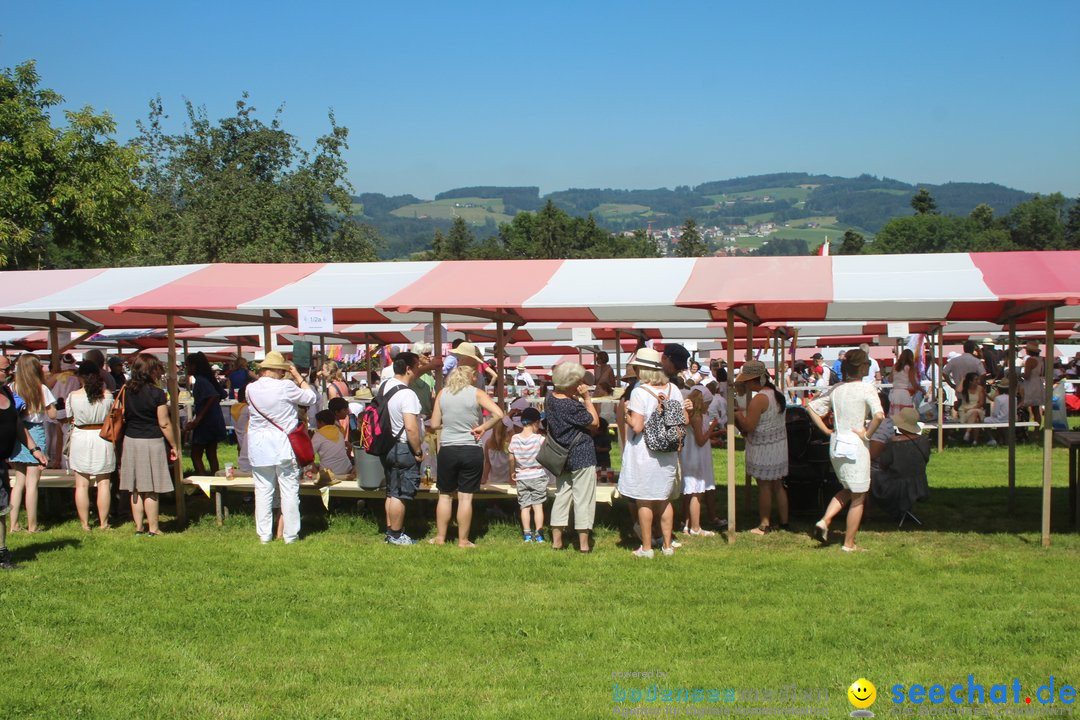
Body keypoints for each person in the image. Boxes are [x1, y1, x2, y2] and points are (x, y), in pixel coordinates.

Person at [806, 349, 885, 551]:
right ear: (863, 367)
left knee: (848, 489)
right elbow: (879, 416)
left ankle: (825, 520)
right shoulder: (867, 389)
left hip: (836, 444)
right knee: (859, 496)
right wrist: (867, 434)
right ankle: (849, 544)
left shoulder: (836, 389)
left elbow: (811, 407)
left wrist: (826, 430)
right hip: (855, 445)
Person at [429, 351, 504, 547]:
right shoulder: (477, 393)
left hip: (448, 448)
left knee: (445, 495)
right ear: (471, 377)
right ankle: (463, 540)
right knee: (465, 497)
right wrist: (483, 427)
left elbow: (435, 423)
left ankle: (440, 538)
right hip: (471, 448)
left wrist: (450, 422)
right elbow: (498, 413)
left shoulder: (442, 394)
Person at [618, 348, 687, 558]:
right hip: (667, 451)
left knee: (645, 500)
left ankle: (647, 547)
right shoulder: (673, 389)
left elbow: (637, 427)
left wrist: (626, 415)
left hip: (644, 453)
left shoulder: (639, 392)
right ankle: (667, 545)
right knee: (664, 500)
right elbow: (683, 418)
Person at [245, 351, 317, 544]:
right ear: (278, 370)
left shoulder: (250, 389)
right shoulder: (285, 386)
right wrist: (298, 378)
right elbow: (311, 398)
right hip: (283, 445)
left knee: (263, 491)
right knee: (289, 491)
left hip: (259, 446)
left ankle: (264, 535)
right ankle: (290, 535)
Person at [120, 354, 179, 537]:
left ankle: (138, 527)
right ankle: (153, 528)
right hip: (151, 440)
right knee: (152, 487)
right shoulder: (157, 394)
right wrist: (174, 445)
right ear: (152, 370)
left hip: (130, 439)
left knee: (135, 487)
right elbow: (164, 423)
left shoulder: (125, 390)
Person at [543, 362, 600, 552]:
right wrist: (587, 398)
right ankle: (583, 544)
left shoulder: (550, 398)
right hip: (581, 453)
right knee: (583, 499)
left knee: (562, 496)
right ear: (570, 383)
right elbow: (594, 422)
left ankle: (557, 541)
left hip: (560, 454)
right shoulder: (570, 405)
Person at [733, 360, 789, 535]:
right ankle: (784, 521)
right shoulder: (776, 392)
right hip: (778, 445)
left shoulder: (760, 398)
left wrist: (737, 414)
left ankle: (764, 524)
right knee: (778, 485)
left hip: (764, 447)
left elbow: (749, 426)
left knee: (764, 486)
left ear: (753, 380)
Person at [8, 354, 56, 534]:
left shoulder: (12, 386)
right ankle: (32, 525)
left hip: (18, 433)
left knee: (18, 483)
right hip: (35, 432)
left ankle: (13, 525)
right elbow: (52, 415)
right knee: (32, 483)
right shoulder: (41, 388)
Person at [67, 361, 116, 531]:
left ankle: (85, 524)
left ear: (80, 376)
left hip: (80, 437)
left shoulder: (73, 396)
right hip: (102, 437)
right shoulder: (108, 395)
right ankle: (104, 523)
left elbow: (68, 417)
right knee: (103, 483)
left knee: (81, 484)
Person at [870, 408, 930, 520]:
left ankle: (867, 512)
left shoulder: (894, 443)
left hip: (897, 486)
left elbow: (884, 464)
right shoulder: (924, 440)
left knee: (870, 475)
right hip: (919, 483)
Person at [0, 355, 30, 568]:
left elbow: (17, 423)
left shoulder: (7, 391)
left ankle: (2, 555)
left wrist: (35, 449)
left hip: (1, 461)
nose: (9, 371)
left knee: (1, 509)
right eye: (5, 368)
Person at [679, 387, 719, 537]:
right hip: (695, 456)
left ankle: (686, 524)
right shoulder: (697, 417)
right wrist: (712, 427)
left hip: (688, 455)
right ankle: (696, 528)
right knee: (697, 492)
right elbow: (701, 440)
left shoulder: (688, 414)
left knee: (689, 492)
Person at [185, 352, 228, 477]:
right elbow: (221, 394)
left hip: (206, 422)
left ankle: (202, 483)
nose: (186, 368)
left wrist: (198, 418)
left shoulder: (201, 381)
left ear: (195, 366)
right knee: (211, 453)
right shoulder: (208, 379)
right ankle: (217, 483)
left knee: (195, 454)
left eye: (188, 365)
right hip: (214, 419)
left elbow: (213, 396)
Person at [509, 407, 546, 542]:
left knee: (524, 506)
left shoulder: (514, 438)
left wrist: (512, 471)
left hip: (522, 476)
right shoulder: (540, 439)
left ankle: (527, 535)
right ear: (536, 422)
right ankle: (539, 534)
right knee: (538, 506)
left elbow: (511, 458)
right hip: (537, 475)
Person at [311, 409, 353, 484]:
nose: (316, 425)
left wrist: (315, 470)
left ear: (322, 422)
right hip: (346, 469)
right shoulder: (339, 432)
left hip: (329, 473)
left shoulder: (318, 435)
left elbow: (309, 455)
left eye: (317, 422)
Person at [955, 372, 986, 445]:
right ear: (970, 381)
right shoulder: (965, 388)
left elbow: (981, 403)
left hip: (976, 408)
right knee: (976, 420)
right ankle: (975, 441)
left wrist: (971, 409)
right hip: (964, 410)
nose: (978, 381)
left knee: (975, 412)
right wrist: (963, 380)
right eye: (976, 379)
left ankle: (967, 433)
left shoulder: (980, 389)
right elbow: (958, 391)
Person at [1019, 341, 1045, 425]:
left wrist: (1019, 374)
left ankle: (1024, 424)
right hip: (1038, 382)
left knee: (1024, 405)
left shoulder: (1030, 360)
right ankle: (1037, 429)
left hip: (1030, 384)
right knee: (1036, 408)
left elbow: (1027, 375)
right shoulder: (1041, 359)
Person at [889, 349, 918, 420]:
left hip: (895, 392)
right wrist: (921, 390)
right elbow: (913, 383)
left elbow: (890, 379)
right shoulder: (910, 368)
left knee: (896, 417)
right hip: (904, 393)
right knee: (906, 418)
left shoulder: (895, 366)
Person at [482, 419, 511, 486]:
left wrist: (484, 477)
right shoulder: (509, 443)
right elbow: (487, 462)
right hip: (504, 480)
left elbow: (487, 463)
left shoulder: (488, 443)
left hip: (497, 479)